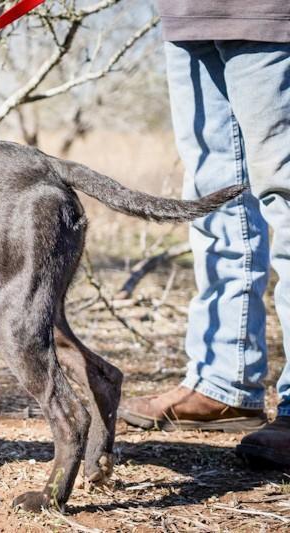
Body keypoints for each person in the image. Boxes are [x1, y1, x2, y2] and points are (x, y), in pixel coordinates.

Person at [118, 0, 290, 468]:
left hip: (270, 15)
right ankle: (224, 385)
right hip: (188, 16)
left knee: (286, 195)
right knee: (213, 205)